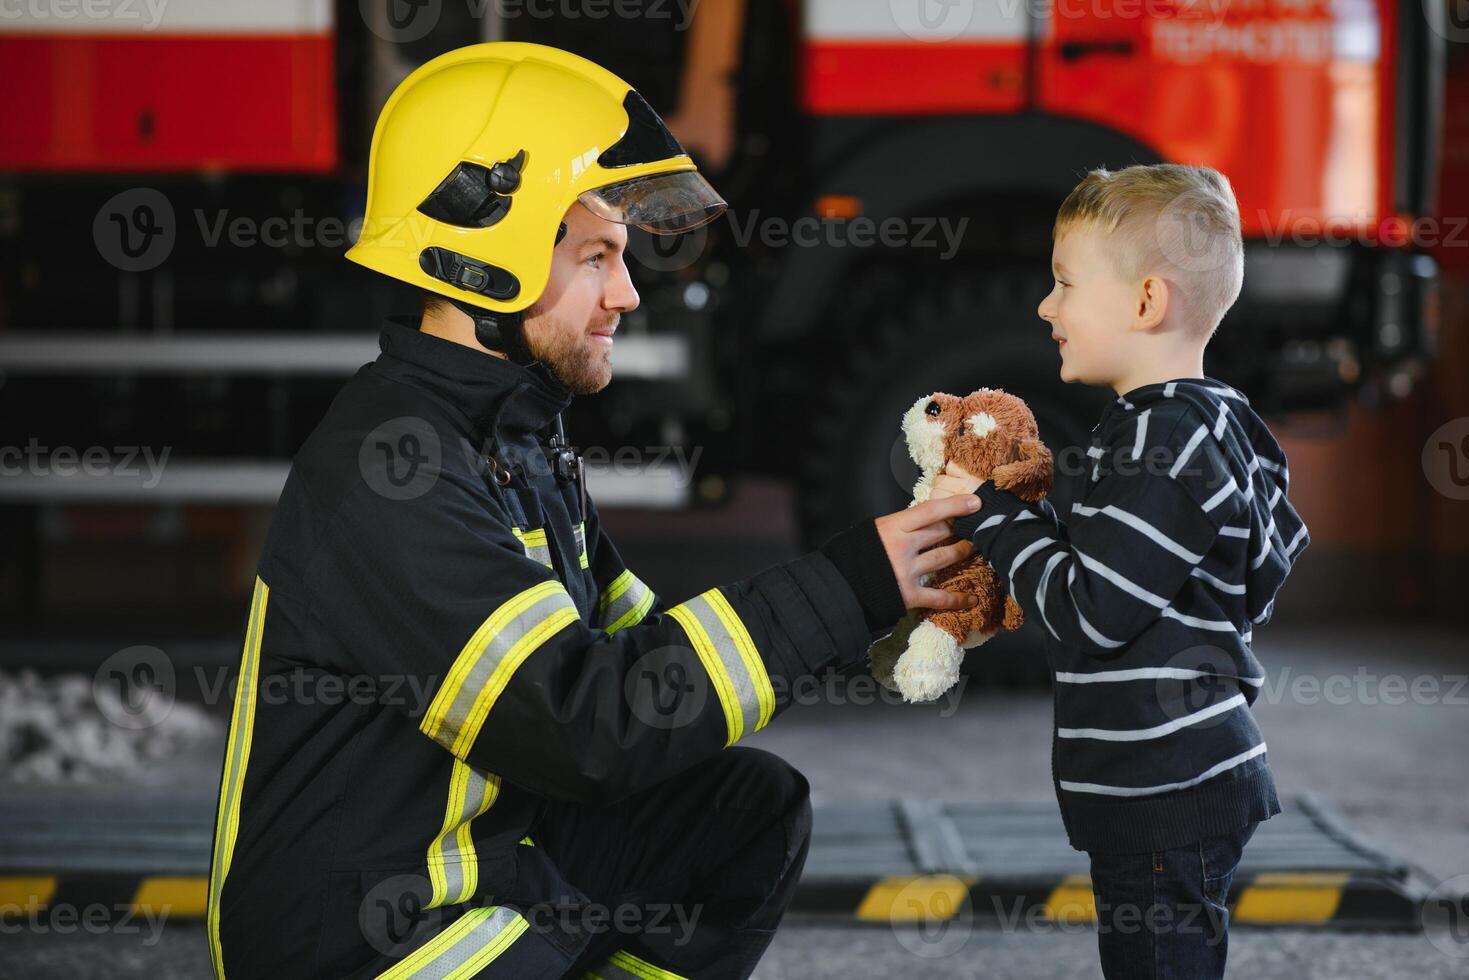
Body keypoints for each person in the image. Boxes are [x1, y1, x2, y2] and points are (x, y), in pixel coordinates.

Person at [204, 42, 981, 980]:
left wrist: (884, 601)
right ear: (477, 254)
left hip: (483, 869)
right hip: (369, 937)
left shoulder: (513, 436)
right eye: (596, 257)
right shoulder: (390, 468)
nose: (627, 292)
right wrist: (844, 583)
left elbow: (646, 662)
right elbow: (587, 727)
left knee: (744, 812)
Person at [932, 164, 1310, 979]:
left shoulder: (1160, 440)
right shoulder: (1209, 421)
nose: (1046, 306)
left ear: (1144, 303)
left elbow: (1091, 610)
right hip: (1178, 776)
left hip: (1164, 787)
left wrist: (998, 513)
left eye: (1065, 283)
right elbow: (1247, 559)